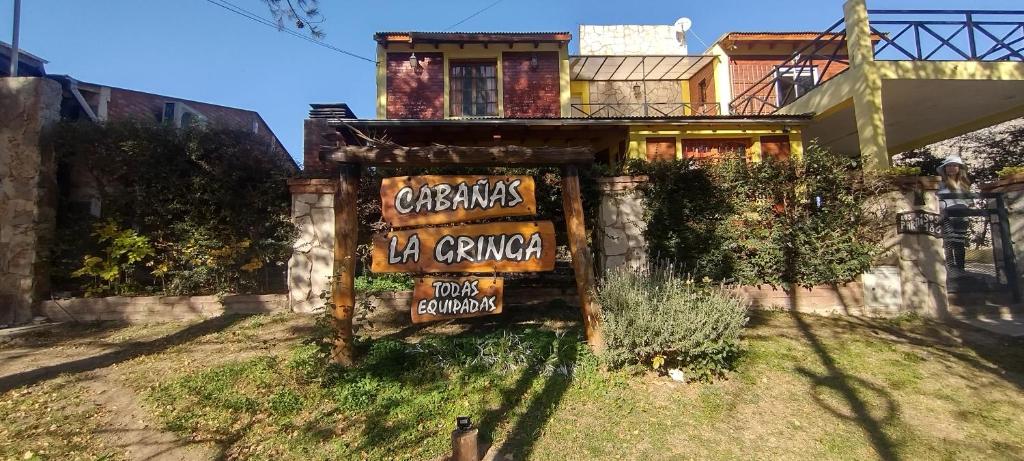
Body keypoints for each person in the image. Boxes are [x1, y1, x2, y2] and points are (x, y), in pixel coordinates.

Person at [936, 155, 972, 275]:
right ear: (945, 168)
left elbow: (969, 201)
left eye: (954, 165)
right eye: (948, 166)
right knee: (949, 242)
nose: (951, 168)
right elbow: (936, 199)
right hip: (947, 215)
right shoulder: (940, 184)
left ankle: (961, 269)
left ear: (959, 168)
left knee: (959, 243)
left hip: (962, 215)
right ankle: (951, 270)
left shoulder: (965, 184)